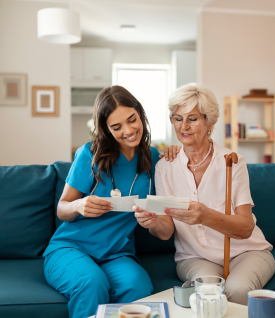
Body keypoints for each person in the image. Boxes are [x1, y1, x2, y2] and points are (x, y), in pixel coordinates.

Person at [43, 85, 180, 318]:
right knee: (90, 282)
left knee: (138, 286)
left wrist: (177, 152)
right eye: (116, 127)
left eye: (132, 119)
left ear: (140, 114)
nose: (128, 130)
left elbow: (165, 228)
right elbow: (62, 210)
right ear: (106, 130)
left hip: (117, 254)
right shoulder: (90, 155)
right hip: (70, 248)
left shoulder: (155, 159)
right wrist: (79, 205)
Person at [135, 83, 275, 305]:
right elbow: (165, 232)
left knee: (237, 289)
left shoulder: (232, 162)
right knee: (208, 292)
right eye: (177, 118)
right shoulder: (165, 167)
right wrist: (152, 222)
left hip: (247, 252)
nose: (184, 126)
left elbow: (246, 227)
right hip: (195, 257)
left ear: (209, 121)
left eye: (193, 119)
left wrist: (205, 216)